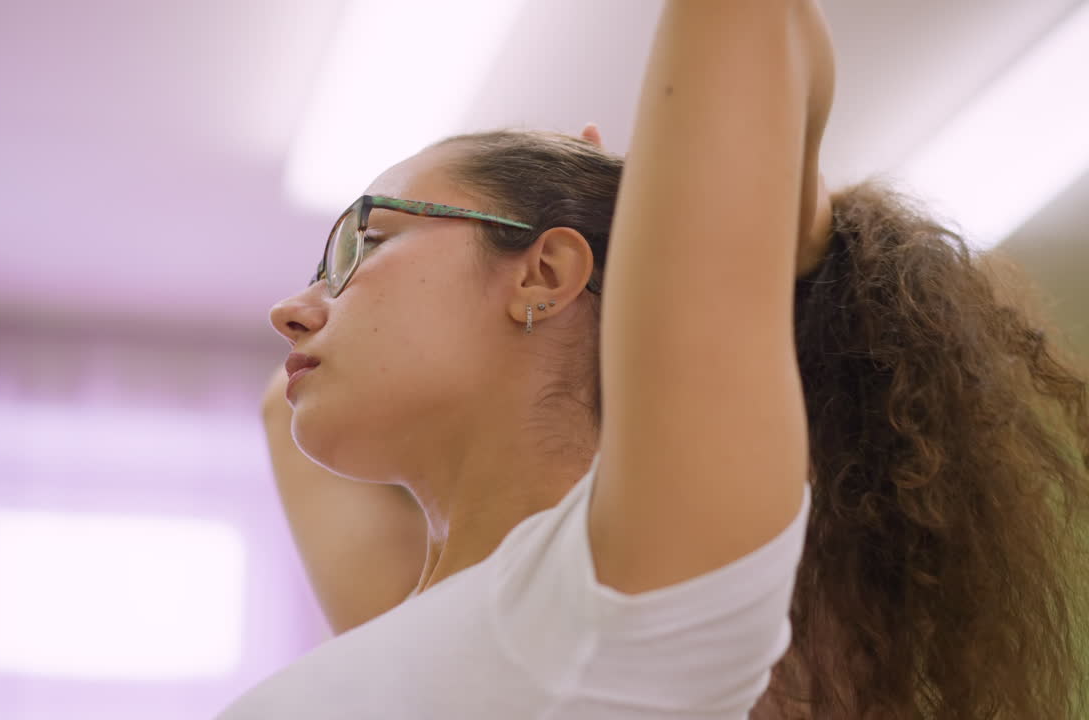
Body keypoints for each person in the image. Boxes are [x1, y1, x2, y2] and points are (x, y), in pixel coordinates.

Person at [225, 1, 1089, 718]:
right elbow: (280, 404)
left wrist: (704, 223)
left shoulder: (613, 590)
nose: (292, 309)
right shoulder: (460, 627)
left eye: (365, 244)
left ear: (548, 272)